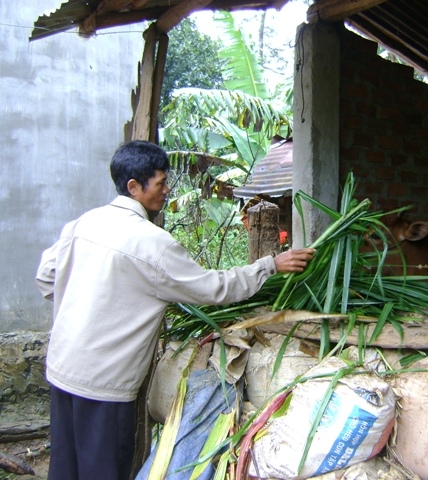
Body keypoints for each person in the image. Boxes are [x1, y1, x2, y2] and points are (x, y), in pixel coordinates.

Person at [35, 140, 315, 480]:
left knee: (66, 469)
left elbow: (46, 278)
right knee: (102, 471)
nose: (167, 190)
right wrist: (270, 265)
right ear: (134, 187)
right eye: (161, 183)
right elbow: (214, 288)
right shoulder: (153, 244)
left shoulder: (84, 223)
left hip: (62, 369)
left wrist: (87, 302)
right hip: (104, 383)